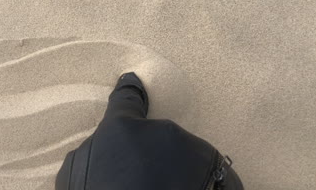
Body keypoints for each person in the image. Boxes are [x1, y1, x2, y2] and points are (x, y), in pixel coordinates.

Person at [55, 72, 244, 190]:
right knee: (123, 108)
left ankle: (129, 87)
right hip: (78, 172)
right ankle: (129, 86)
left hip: (82, 172)